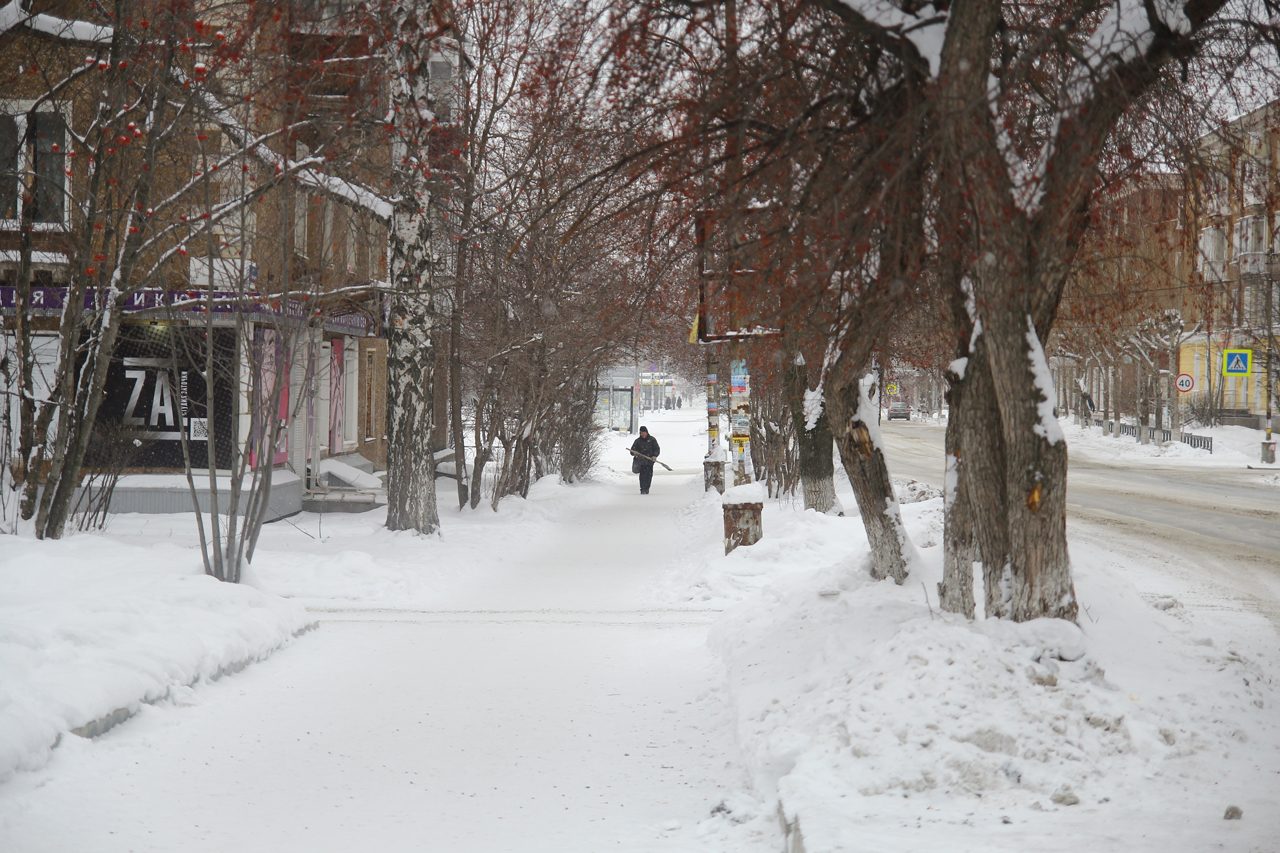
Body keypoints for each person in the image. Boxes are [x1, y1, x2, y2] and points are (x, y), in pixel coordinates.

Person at [629, 426, 661, 494]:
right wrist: (634, 453)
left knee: (649, 476)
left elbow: (657, 449)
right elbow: (632, 451)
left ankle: (647, 488)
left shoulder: (652, 440)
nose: (643, 434)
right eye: (641, 433)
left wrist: (654, 456)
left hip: (650, 461)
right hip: (641, 462)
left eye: (644, 432)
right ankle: (642, 489)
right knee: (642, 475)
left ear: (647, 432)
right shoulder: (637, 441)